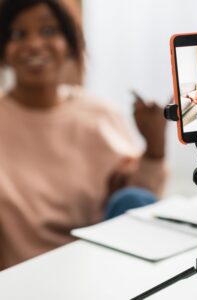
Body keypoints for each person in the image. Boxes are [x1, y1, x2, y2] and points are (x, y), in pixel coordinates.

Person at [0, 0, 167, 270]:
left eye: (49, 31)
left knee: (132, 199)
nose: (34, 44)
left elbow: (140, 203)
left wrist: (154, 147)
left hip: (101, 270)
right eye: (18, 34)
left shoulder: (98, 115)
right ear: (4, 49)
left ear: (70, 43)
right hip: (20, 277)